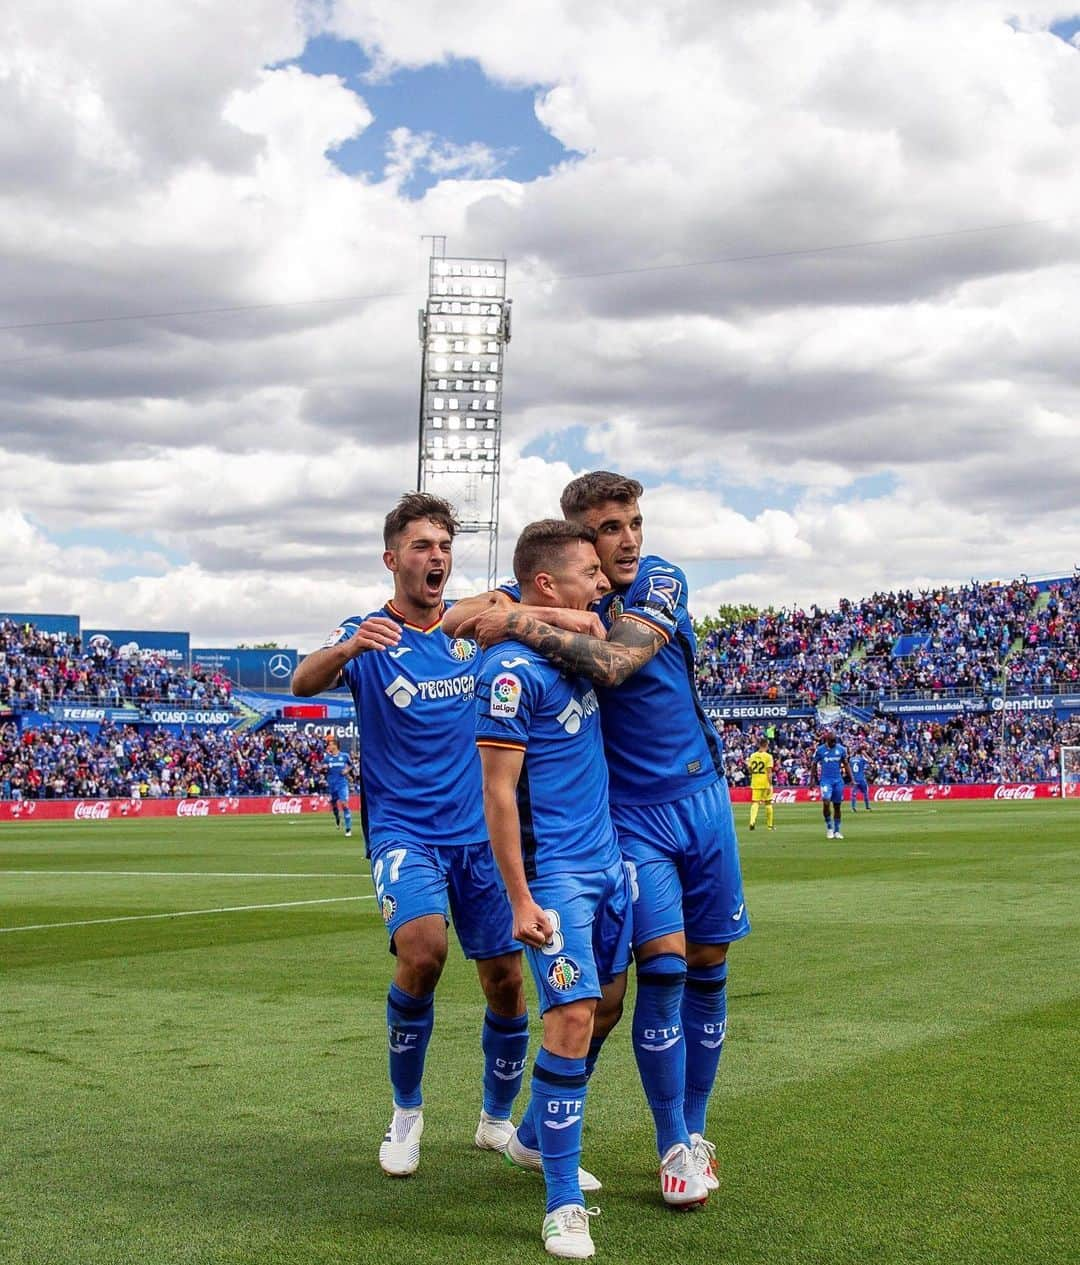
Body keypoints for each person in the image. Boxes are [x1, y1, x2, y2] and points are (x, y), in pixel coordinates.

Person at [446, 471, 748, 1206]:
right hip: (627, 818)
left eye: (635, 522)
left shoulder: (659, 580)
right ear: (580, 535)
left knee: (703, 968)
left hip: (701, 796)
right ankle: (676, 1144)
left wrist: (517, 620)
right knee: (663, 972)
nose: (629, 539)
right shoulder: (567, 589)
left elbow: (615, 664)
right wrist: (508, 608)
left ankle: (678, 1126)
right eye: (610, 529)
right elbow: (456, 618)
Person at [292, 492, 528, 1178]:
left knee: (506, 980)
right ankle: (405, 1113)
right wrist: (347, 645)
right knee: (423, 951)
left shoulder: (467, 632)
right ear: (393, 558)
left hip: (479, 837)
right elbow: (307, 678)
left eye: (444, 546)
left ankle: (493, 1119)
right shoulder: (370, 634)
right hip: (405, 832)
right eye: (423, 546)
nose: (437, 557)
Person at [475, 519, 631, 1260]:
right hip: (555, 875)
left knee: (606, 1005)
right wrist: (518, 898)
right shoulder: (510, 671)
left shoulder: (574, 655)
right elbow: (499, 795)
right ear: (546, 583)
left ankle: (535, 1137)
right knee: (569, 1016)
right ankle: (560, 1204)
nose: (603, 584)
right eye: (589, 574)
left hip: (607, 867)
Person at [811, 732, 851, 838]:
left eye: (835, 741)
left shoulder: (841, 749)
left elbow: (846, 764)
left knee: (837, 806)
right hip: (825, 781)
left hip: (838, 781)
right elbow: (814, 765)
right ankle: (829, 827)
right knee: (826, 801)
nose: (834, 743)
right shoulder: (820, 750)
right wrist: (812, 780)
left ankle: (837, 831)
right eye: (832, 741)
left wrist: (852, 779)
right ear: (827, 740)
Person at [322, 737, 353, 836]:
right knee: (334, 804)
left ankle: (348, 829)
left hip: (342, 784)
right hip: (332, 785)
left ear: (335, 745)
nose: (329, 747)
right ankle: (337, 818)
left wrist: (347, 771)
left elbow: (351, 765)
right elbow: (322, 769)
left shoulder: (344, 756)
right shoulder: (327, 758)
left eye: (330, 745)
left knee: (344, 804)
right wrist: (324, 768)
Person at [746, 735, 775, 831]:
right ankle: (770, 826)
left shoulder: (752, 756)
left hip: (755, 782)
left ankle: (752, 821)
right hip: (765, 782)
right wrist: (770, 785)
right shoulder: (768, 756)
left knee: (755, 803)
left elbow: (749, 769)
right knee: (768, 803)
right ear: (766, 745)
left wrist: (753, 773)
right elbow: (769, 772)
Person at [849, 745, 872, 812]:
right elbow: (871, 761)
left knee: (854, 794)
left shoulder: (851, 759)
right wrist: (865, 755)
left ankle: (853, 808)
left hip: (854, 779)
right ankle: (867, 807)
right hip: (861, 778)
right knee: (865, 792)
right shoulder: (862, 759)